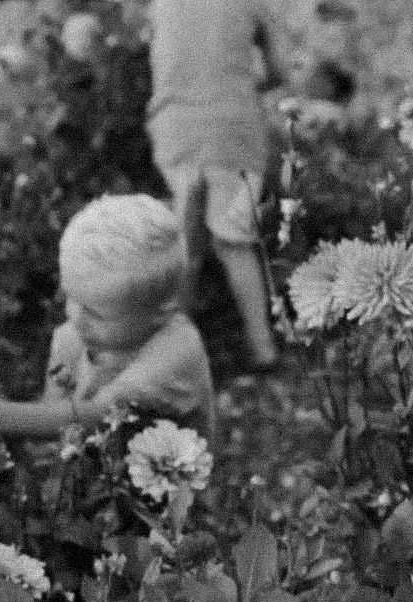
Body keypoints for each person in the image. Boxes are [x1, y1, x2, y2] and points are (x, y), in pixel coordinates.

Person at [0, 194, 217, 456]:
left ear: (160, 313)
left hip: (162, 496)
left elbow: (98, 417)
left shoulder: (177, 351)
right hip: (91, 478)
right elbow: (55, 426)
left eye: (96, 313)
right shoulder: (73, 337)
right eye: (70, 297)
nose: (75, 318)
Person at [146, 0, 285, 370]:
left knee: (186, 240)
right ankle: (263, 349)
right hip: (233, 129)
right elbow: (279, 72)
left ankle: (168, 354)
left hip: (177, 128)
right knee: (234, 240)